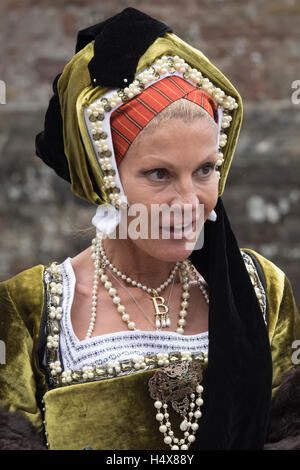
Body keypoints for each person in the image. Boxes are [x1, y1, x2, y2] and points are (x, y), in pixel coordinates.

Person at [0, 8, 299, 451]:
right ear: (108, 179)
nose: (187, 202)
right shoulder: (28, 310)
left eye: (204, 170)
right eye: (159, 174)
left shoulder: (261, 291)